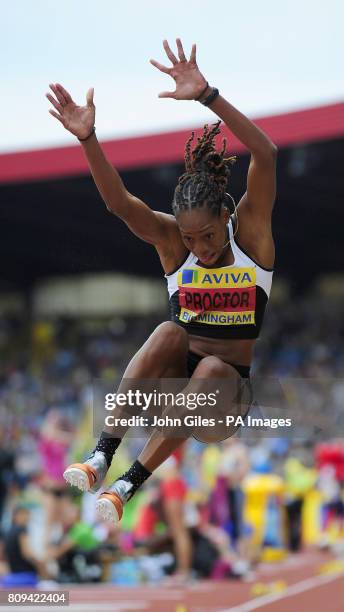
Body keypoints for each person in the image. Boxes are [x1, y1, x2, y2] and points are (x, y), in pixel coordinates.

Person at [46, 38, 276, 524]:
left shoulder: (251, 239)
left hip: (222, 399)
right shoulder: (176, 245)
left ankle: (130, 482)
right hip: (172, 386)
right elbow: (120, 206)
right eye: (191, 239)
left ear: (227, 215)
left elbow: (265, 153)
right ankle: (101, 456)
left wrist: (208, 95)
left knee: (212, 368)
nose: (201, 248)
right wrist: (89, 140)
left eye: (209, 235)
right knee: (170, 331)